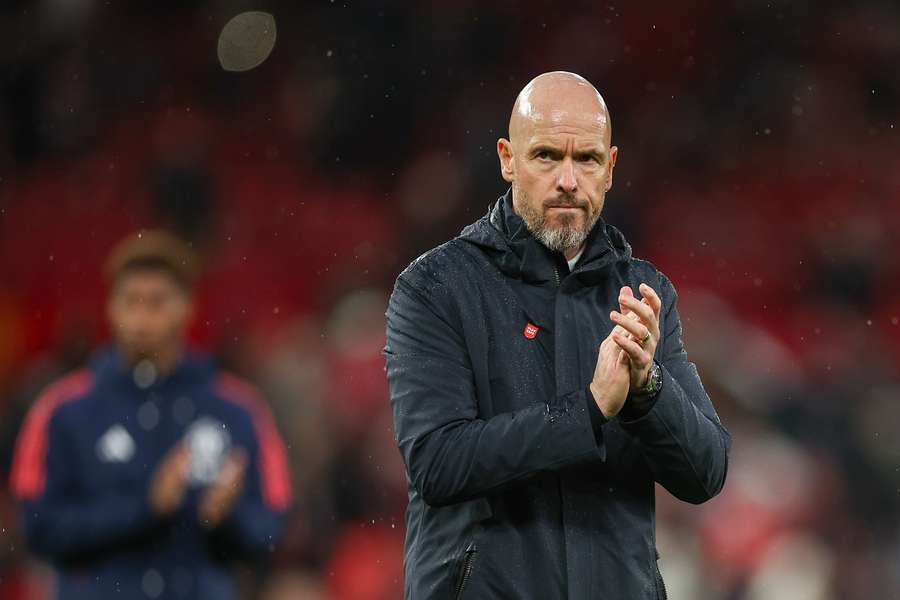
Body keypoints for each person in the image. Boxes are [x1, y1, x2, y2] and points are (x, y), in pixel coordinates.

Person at [384, 71, 731, 599]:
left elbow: (705, 474)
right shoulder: (436, 287)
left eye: (586, 159)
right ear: (507, 159)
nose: (568, 179)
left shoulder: (643, 293)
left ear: (610, 168)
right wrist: (588, 411)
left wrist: (648, 390)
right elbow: (438, 463)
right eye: (547, 156)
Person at [9, 230, 292, 600]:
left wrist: (225, 520)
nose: (142, 318)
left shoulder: (238, 408)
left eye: (157, 302)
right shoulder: (63, 409)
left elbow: (273, 526)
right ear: (111, 306)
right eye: (131, 301)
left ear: (187, 306)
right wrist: (143, 509)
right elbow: (37, 527)